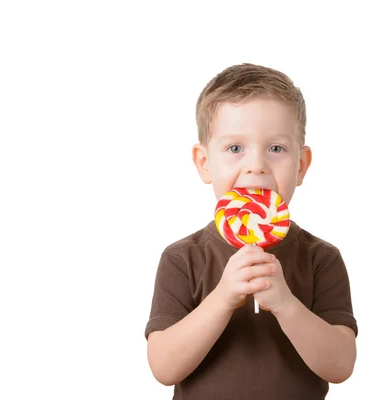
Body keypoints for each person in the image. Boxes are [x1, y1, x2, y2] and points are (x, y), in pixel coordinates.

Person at [145, 63, 358, 399]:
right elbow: (163, 367)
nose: (256, 164)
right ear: (204, 163)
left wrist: (286, 304)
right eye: (235, 148)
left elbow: (341, 365)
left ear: (301, 166)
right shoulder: (182, 258)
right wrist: (224, 297)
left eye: (276, 148)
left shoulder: (321, 259)